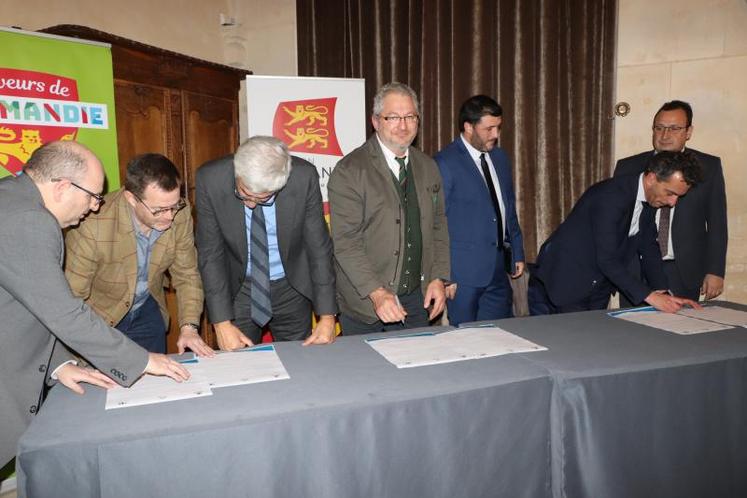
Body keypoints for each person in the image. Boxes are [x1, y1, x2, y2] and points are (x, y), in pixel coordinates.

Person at [0, 141, 189, 468]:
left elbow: (27, 303)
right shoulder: (30, 221)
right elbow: (64, 311)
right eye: (91, 195)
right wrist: (142, 361)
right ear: (62, 187)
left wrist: (58, 363)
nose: (94, 206)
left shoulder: (10, 196)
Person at [328, 82, 451, 334]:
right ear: (376, 121)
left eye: (410, 117)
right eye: (393, 117)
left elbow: (438, 226)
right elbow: (345, 243)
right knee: (369, 373)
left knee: (418, 370)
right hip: (366, 305)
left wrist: (438, 277)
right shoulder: (350, 170)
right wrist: (377, 293)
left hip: (417, 300)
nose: (403, 126)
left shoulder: (428, 167)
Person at [195, 136, 337, 349]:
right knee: (239, 366)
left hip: (292, 287)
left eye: (263, 198)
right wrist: (221, 323)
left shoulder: (302, 177)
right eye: (244, 194)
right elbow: (210, 253)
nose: (251, 205)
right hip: (240, 286)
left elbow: (319, 247)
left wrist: (327, 316)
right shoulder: (210, 179)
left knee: (299, 364)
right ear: (237, 172)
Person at [65, 153, 212, 356]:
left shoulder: (181, 212)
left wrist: (189, 327)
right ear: (131, 199)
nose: (170, 217)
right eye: (159, 210)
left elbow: (187, 274)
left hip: (147, 311)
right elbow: (73, 297)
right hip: (99, 318)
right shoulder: (92, 226)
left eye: (173, 206)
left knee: (154, 384)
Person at [528, 150, 702, 315]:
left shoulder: (652, 198)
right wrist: (651, 297)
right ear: (651, 179)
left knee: (597, 342)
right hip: (566, 280)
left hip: (599, 282)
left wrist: (663, 292)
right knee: (573, 342)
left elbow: (648, 246)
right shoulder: (611, 196)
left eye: (678, 197)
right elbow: (607, 259)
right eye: (670, 193)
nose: (673, 203)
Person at [614, 100, 728, 302]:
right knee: (632, 331)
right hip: (636, 269)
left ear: (688, 131)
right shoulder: (628, 167)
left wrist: (715, 271)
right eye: (659, 128)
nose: (665, 135)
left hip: (683, 269)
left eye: (674, 128)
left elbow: (717, 222)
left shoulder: (707, 167)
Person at [434, 95, 525, 325]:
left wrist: (517, 250)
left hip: (497, 269)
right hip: (462, 275)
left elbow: (507, 207)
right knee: (465, 340)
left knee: (500, 334)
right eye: (489, 129)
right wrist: (445, 276)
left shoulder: (500, 157)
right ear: (468, 127)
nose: (495, 135)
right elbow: (436, 222)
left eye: (498, 127)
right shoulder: (445, 162)